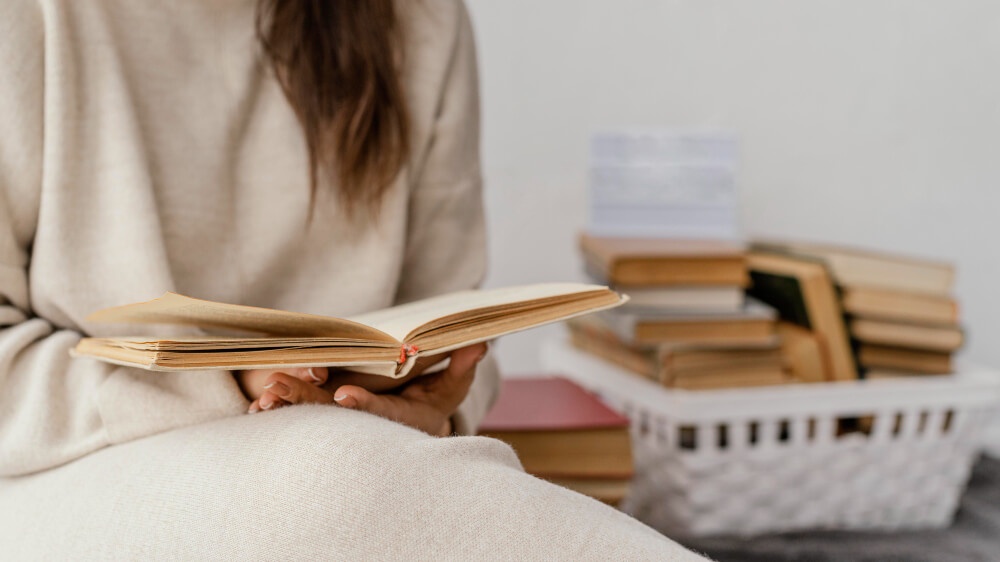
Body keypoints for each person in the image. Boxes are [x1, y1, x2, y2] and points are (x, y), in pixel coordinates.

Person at [0, 0, 708, 559]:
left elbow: (456, 314)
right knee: (326, 472)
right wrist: (219, 385)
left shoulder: (420, 18)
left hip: (367, 461)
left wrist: (436, 404)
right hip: (70, 469)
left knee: (344, 471)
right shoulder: (28, 18)